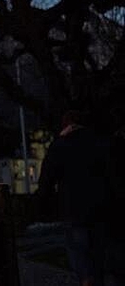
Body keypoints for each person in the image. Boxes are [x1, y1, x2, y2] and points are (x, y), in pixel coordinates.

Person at [36, 109, 117, 286]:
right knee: (98, 253)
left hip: (73, 208)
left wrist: (43, 205)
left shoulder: (60, 146)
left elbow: (47, 179)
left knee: (80, 252)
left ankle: (86, 279)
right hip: (100, 207)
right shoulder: (99, 143)